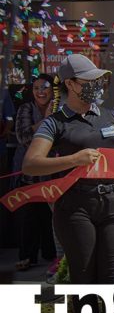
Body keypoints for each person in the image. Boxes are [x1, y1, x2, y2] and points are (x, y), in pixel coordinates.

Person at [22, 54, 114, 313]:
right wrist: (74, 159)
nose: (96, 86)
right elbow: (32, 163)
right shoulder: (54, 122)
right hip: (75, 208)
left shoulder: (111, 116)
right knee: (86, 283)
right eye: (88, 81)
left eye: (98, 80)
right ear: (70, 84)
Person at [13, 74, 57, 270]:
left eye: (44, 87)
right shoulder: (26, 108)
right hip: (29, 175)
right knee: (29, 218)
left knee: (51, 218)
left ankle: (52, 257)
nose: (40, 92)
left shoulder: (59, 108)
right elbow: (24, 137)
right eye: (37, 88)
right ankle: (27, 257)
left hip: (54, 174)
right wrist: (46, 120)